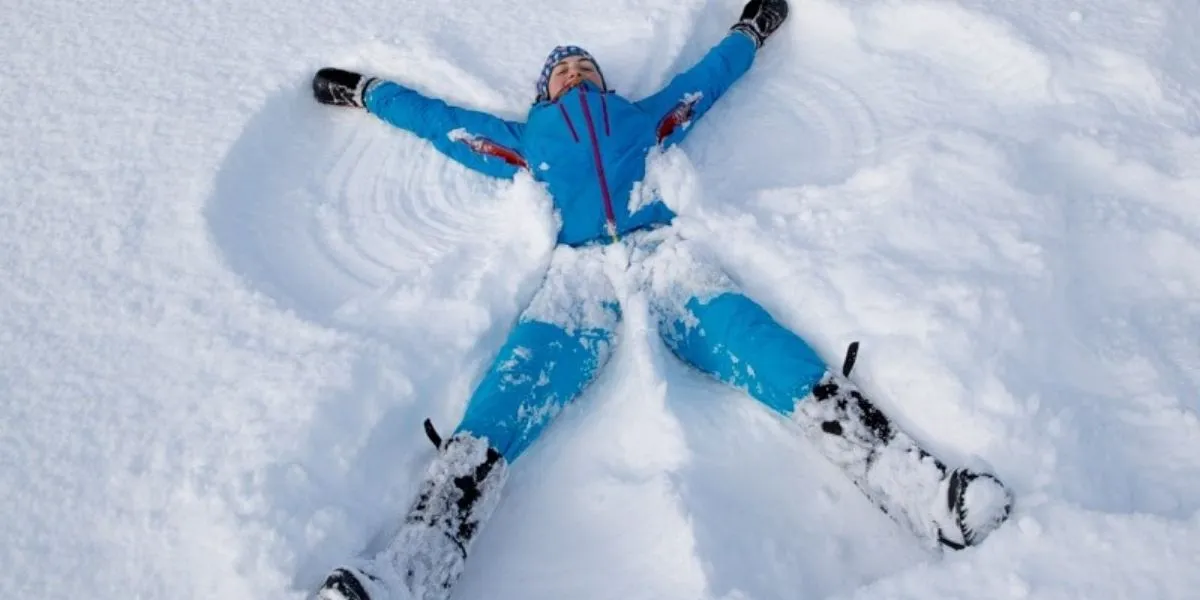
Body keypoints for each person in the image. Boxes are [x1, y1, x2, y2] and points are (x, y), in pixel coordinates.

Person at [311, 2, 1012, 599]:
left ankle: (922, 491)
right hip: (578, 282)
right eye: (563, 68)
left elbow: (707, 81)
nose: (577, 72)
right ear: (544, 88)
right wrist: (367, 90)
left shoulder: (641, 117)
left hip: (664, 260)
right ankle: (407, 572)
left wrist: (752, 28)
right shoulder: (526, 138)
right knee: (505, 398)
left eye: (585, 66)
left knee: (768, 349)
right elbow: (437, 119)